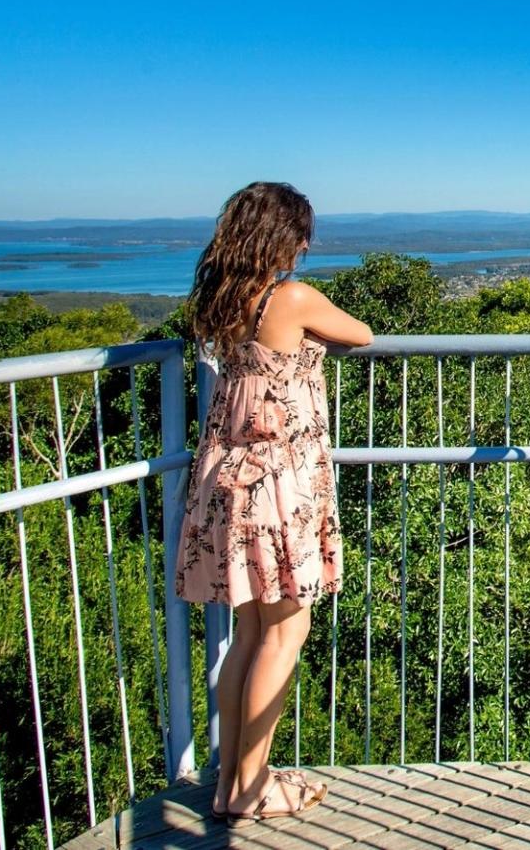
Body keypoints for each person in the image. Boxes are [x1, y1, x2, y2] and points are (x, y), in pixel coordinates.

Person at [172, 181, 373, 823]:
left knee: (250, 633)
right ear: (286, 237)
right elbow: (361, 334)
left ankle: (230, 781)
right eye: (303, 234)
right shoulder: (291, 296)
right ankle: (249, 790)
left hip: (226, 478)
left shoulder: (223, 299)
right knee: (287, 631)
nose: (308, 245)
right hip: (278, 485)